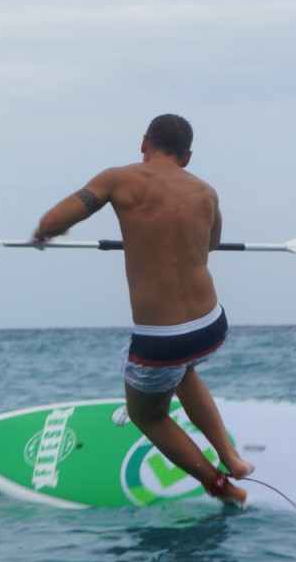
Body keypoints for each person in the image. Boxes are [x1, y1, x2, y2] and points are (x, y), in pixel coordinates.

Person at [31, 114, 253, 505]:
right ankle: (231, 457)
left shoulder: (119, 179)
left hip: (162, 340)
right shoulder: (206, 192)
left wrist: (45, 232)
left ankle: (222, 487)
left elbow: (52, 220)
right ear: (186, 157)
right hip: (211, 325)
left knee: (148, 416)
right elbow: (210, 245)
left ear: (143, 143)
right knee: (184, 370)